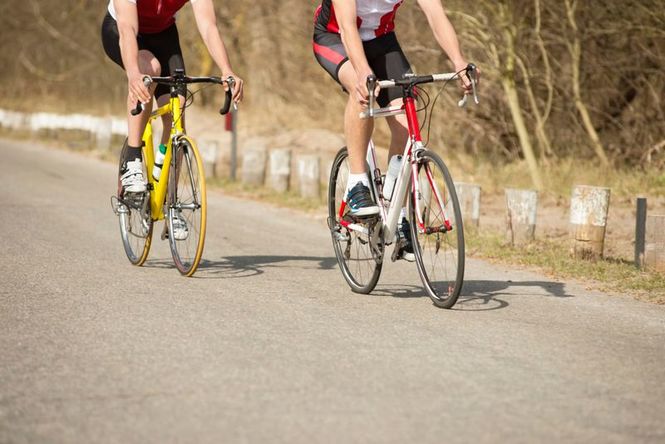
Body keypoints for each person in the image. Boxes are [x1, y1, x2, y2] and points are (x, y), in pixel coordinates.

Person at [313, 0, 474, 261]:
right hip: (335, 38)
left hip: (381, 39)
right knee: (360, 87)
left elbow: (435, 13)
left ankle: (395, 209)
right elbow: (347, 27)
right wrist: (363, 71)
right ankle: (356, 183)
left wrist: (458, 61)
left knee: (406, 115)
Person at [101, 0, 244, 195]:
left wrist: (227, 70)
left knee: (178, 106)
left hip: (163, 34)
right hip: (122, 29)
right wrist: (133, 73)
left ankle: (171, 203)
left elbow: (209, 27)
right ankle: (132, 160)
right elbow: (127, 29)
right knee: (149, 70)